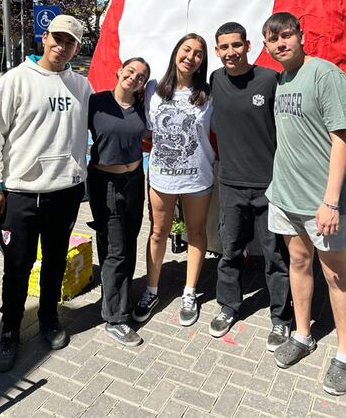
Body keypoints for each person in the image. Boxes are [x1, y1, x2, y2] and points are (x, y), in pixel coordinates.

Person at [0, 14, 91, 372]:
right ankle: (9, 330)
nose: (62, 46)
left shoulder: (81, 86)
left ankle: (48, 319)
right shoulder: (16, 80)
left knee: (55, 262)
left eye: (70, 41)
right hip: (21, 194)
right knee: (16, 266)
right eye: (57, 38)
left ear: (76, 46)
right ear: (44, 38)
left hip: (65, 192)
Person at [262, 12, 346, 396]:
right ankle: (303, 335)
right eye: (273, 39)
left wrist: (331, 202)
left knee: (335, 275)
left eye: (286, 35)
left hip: (323, 202)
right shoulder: (282, 80)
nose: (280, 43)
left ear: (301, 36)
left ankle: (345, 355)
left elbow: (342, 140)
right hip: (285, 196)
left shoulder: (325, 75)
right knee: (298, 264)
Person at [209, 22, 292, 349]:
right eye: (224, 47)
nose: (230, 52)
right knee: (230, 251)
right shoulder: (215, 80)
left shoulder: (269, 79)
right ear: (217, 51)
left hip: (270, 186)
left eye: (236, 45)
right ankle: (228, 306)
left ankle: (281, 319)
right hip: (230, 185)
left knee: (275, 256)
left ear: (247, 46)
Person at [132, 33, 214, 327]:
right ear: (175, 52)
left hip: (198, 177)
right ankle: (151, 290)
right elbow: (145, 129)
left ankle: (189, 292)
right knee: (157, 232)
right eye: (186, 50)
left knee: (196, 232)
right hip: (161, 177)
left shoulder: (209, 93)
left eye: (198, 54)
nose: (191, 57)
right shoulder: (153, 89)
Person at [88, 57, 151, 347]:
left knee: (129, 240)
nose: (134, 78)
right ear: (119, 71)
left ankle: (123, 295)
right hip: (106, 184)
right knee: (114, 250)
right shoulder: (96, 102)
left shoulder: (141, 108)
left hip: (135, 180)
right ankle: (115, 318)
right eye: (131, 71)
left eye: (141, 77)